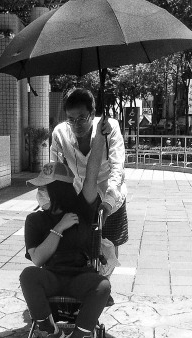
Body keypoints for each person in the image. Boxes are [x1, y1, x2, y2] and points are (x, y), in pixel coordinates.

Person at [20, 116, 111, 338]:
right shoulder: (35, 220)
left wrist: (100, 137)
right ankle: (50, 332)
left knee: (103, 286)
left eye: (44, 188)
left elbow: (92, 175)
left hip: (80, 276)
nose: (39, 193)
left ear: (58, 190)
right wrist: (58, 229)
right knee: (28, 275)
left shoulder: (82, 210)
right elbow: (38, 259)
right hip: (52, 276)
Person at [47, 88, 128, 305]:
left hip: (110, 190)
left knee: (110, 238)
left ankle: (105, 285)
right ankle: (87, 283)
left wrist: (108, 202)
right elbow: (55, 168)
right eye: (71, 119)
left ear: (93, 114)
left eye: (82, 118)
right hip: (80, 192)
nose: (77, 125)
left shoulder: (109, 128)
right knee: (83, 240)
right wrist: (52, 198)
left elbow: (117, 168)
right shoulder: (60, 133)